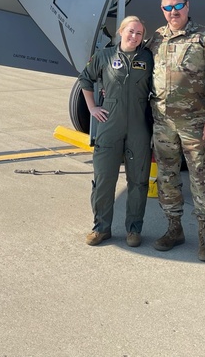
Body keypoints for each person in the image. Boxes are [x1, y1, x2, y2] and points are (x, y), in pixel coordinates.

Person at [147, 0, 205, 262]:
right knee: (167, 178)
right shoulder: (156, 39)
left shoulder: (204, 38)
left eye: (177, 6)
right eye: (167, 8)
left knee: (201, 178)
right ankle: (174, 228)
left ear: (187, 5)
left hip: (196, 124)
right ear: (163, 11)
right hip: (163, 123)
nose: (173, 12)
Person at [76, 15, 154, 247]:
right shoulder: (104, 56)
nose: (134, 36)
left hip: (139, 125)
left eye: (139, 33)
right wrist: (92, 107)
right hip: (110, 123)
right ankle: (101, 228)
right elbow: (85, 79)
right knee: (103, 179)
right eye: (131, 31)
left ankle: (133, 230)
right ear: (121, 31)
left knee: (138, 181)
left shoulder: (148, 58)